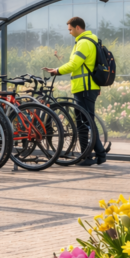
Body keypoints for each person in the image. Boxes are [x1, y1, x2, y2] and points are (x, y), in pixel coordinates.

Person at [43, 17, 106, 167]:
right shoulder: (91, 40)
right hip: (86, 87)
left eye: (70, 29)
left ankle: (87, 157)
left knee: (84, 123)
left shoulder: (84, 43)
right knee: (87, 121)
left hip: (84, 88)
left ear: (78, 27)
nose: (69, 32)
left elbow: (74, 64)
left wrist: (57, 71)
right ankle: (99, 154)